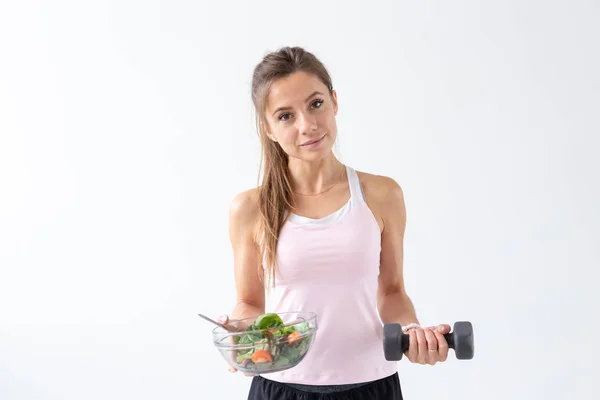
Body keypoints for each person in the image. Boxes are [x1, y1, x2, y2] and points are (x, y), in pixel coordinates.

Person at [218, 46, 451, 400]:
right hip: (280, 388)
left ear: (334, 101)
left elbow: (391, 292)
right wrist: (240, 331)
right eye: (285, 116)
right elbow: (249, 302)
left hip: (372, 387)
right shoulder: (249, 208)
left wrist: (412, 332)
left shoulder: (382, 194)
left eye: (315, 104)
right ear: (266, 128)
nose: (307, 125)